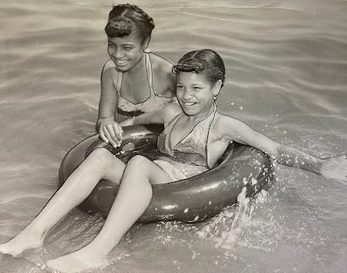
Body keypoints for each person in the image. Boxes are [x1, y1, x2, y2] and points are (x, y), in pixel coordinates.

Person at [0, 49, 346, 273]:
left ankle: (98, 251)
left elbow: (272, 147)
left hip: (180, 182)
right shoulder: (170, 113)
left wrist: (320, 165)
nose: (186, 96)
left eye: (196, 88)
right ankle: (33, 234)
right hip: (153, 176)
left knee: (138, 165)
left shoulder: (224, 126)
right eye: (181, 87)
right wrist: (111, 127)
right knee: (101, 158)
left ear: (217, 88)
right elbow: (129, 124)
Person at [97, 4, 176, 148]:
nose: (117, 55)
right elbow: (104, 118)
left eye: (127, 48)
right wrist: (106, 124)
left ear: (145, 43)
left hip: (163, 143)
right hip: (129, 141)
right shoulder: (111, 72)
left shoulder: (168, 73)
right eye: (112, 45)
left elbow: (199, 115)